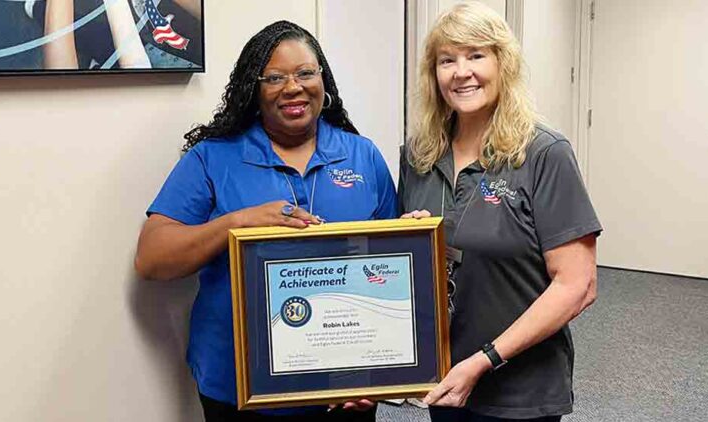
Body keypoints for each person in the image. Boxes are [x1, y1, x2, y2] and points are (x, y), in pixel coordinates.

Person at [135, 20, 395, 421]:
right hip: (238, 384)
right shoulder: (213, 157)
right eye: (274, 77)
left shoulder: (363, 155)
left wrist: (378, 373)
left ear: (323, 79)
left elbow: (390, 269)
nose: (293, 87)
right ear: (253, 90)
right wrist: (237, 223)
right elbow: (151, 259)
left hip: (341, 384)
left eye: (306, 73)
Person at [399, 3, 601, 421]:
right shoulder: (418, 155)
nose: (461, 71)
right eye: (446, 60)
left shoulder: (545, 153)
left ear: (502, 63)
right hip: (445, 377)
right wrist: (412, 244)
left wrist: (484, 360)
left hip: (520, 391)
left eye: (476, 55)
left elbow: (577, 285)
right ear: (432, 74)